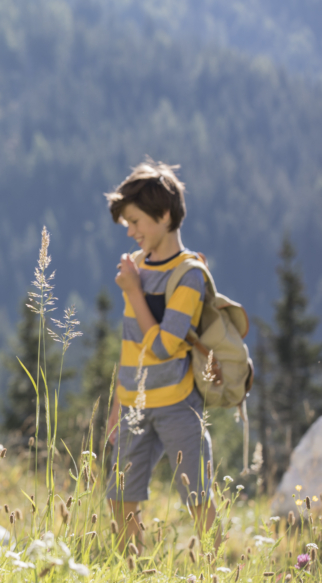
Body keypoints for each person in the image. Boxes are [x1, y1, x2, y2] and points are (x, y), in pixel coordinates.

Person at [104, 161, 217, 551]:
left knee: (198, 497)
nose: (132, 232)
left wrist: (134, 292)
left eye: (136, 222)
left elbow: (164, 346)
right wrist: (118, 406)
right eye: (127, 225)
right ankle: (132, 570)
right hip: (134, 403)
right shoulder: (134, 266)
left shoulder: (189, 274)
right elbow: (130, 344)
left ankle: (217, 569)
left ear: (165, 215)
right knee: (119, 497)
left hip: (177, 403)